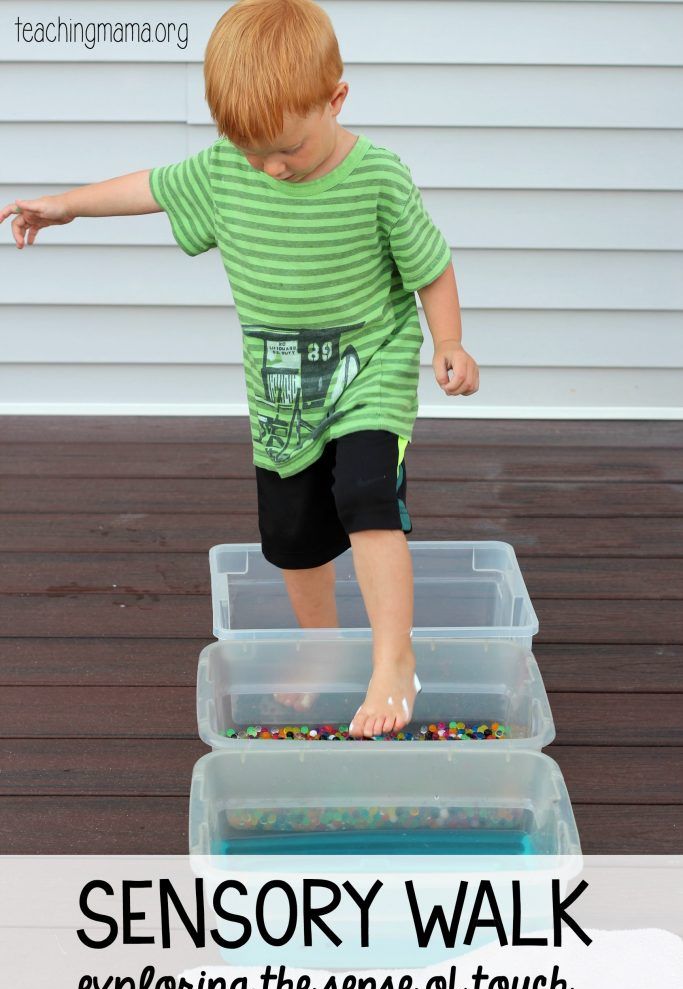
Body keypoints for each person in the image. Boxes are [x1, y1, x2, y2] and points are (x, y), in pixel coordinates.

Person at [1, 0, 479, 737]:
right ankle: (319, 650)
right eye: (254, 152)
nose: (271, 167)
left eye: (285, 148)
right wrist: (65, 206)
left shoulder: (377, 176)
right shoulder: (232, 167)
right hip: (282, 391)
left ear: (335, 100)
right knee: (291, 535)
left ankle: (391, 658)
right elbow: (150, 188)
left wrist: (448, 342)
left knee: (365, 497)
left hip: (368, 369)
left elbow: (432, 266)